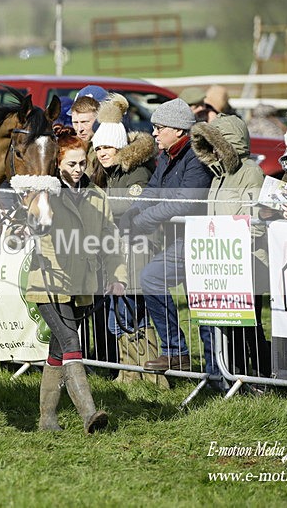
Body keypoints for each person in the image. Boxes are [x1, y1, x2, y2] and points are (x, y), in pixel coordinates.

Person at [27, 126, 126, 434]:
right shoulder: (45, 195)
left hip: (82, 286)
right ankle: (89, 414)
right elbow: (33, 221)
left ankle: (47, 419)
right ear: (57, 163)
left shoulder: (98, 196)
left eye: (82, 163)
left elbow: (111, 240)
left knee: (58, 350)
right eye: (71, 164)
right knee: (71, 341)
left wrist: (118, 276)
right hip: (49, 283)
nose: (78, 169)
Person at [117, 98, 214, 372]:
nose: (154, 133)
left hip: (198, 240)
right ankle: (177, 352)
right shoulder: (168, 155)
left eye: (159, 128)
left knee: (200, 308)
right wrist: (133, 212)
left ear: (179, 130)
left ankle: (214, 371)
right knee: (154, 279)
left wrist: (143, 221)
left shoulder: (195, 156)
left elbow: (185, 202)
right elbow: (152, 191)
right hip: (178, 239)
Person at [190, 114, 271, 383]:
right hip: (223, 264)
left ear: (228, 144)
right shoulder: (218, 176)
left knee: (249, 325)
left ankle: (260, 378)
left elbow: (256, 220)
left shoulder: (251, 172)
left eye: (216, 144)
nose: (212, 151)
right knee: (228, 323)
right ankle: (236, 377)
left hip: (247, 261)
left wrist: (235, 248)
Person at [89, 93, 162, 384]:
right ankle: (129, 370)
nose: (102, 152)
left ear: (120, 146)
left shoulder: (138, 170)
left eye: (107, 146)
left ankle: (148, 374)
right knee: (120, 311)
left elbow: (132, 205)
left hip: (138, 249)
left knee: (132, 312)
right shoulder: (112, 173)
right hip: (119, 250)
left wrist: (95, 203)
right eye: (98, 147)